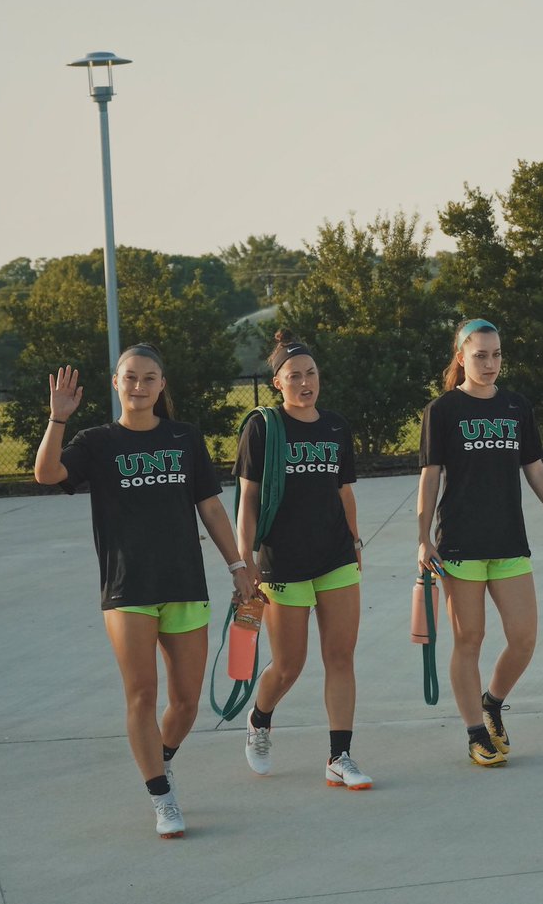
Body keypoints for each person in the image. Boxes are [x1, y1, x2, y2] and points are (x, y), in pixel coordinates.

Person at [34, 345, 255, 838]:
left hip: (183, 582)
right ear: (117, 383)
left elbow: (211, 509)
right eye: (130, 377)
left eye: (149, 378)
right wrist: (57, 420)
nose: (139, 386)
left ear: (161, 386)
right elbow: (48, 474)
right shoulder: (96, 441)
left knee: (187, 702)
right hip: (127, 587)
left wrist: (239, 565)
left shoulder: (184, 437)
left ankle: (161, 760)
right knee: (142, 694)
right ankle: (162, 795)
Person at [417, 318, 543, 767]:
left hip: (509, 541)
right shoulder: (443, 410)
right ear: (461, 358)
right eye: (480, 355)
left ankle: (492, 702)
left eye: (496, 355)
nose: (490, 364)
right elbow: (429, 478)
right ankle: (476, 732)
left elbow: (535, 470)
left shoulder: (516, 406)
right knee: (468, 639)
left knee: (524, 639)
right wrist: (421, 539)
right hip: (459, 543)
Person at [233, 330, 371, 789]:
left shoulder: (335, 426)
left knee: (341, 657)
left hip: (335, 557)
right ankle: (259, 718)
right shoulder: (264, 427)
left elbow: (343, 491)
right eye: (294, 375)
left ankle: (340, 756)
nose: (305, 382)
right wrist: (244, 560)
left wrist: (354, 542)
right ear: (277, 382)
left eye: (310, 373)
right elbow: (248, 498)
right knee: (289, 665)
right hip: (282, 562)